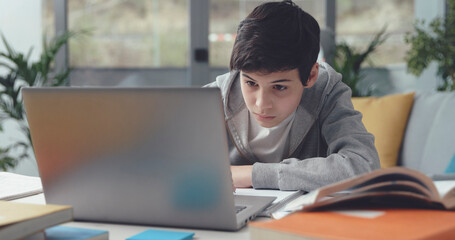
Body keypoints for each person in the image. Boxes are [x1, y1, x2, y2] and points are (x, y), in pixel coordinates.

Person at [205, 0, 380, 191]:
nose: (262, 104)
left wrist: (252, 175)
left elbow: (364, 167)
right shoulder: (212, 97)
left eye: (279, 87)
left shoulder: (327, 93)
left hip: (300, 219)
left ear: (311, 75)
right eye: (251, 83)